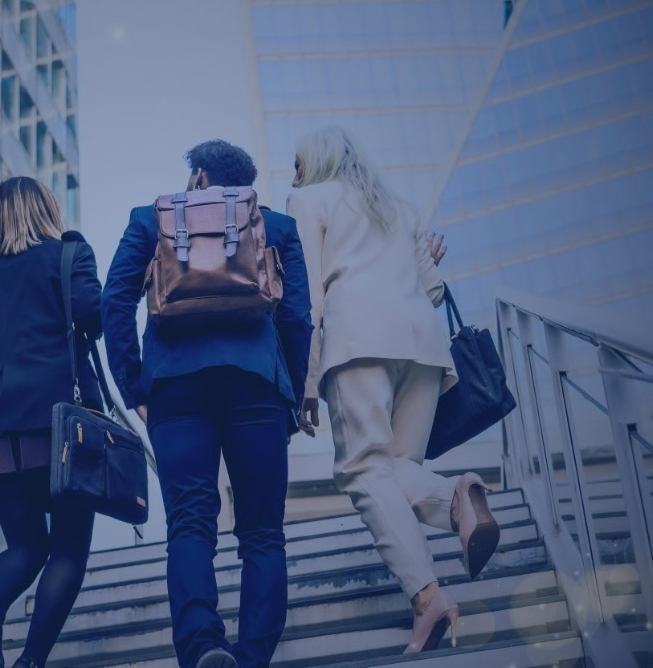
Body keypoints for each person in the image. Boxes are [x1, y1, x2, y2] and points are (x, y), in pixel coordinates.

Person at [286, 125, 499, 654]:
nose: (292, 173)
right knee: (398, 465)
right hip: (422, 347)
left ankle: (427, 598)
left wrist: (306, 382)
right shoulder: (398, 208)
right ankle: (456, 495)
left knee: (362, 469)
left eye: (297, 163)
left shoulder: (306, 199)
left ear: (314, 164)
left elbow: (308, 294)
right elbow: (432, 291)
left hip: (357, 340)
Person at [102, 140, 313, 668]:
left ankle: (202, 645)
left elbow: (114, 301)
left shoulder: (150, 219)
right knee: (262, 530)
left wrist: (135, 387)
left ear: (197, 177)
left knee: (191, 523)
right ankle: (253, 655)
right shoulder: (276, 227)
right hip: (256, 383)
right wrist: (288, 394)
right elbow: (297, 319)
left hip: (175, 387)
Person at [0, 176, 103, 668]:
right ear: (46, 209)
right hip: (62, 427)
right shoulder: (67, 255)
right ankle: (31, 661)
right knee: (67, 551)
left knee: (25, 546)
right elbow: (93, 317)